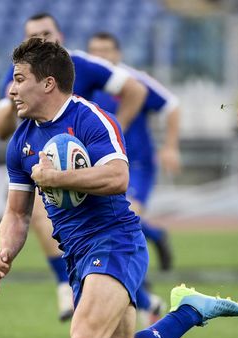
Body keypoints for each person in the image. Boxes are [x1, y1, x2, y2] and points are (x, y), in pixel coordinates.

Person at [0, 38, 238, 338]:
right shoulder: (21, 141)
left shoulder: (90, 118)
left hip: (115, 241)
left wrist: (60, 176)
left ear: (47, 83)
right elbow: (17, 212)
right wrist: (5, 250)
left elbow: (118, 175)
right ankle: (188, 312)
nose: (11, 90)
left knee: (82, 335)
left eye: (19, 80)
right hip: (77, 254)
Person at [0, 13, 149, 322]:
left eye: (46, 32)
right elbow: (0, 130)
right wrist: (6, 250)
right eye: (32, 36)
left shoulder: (84, 69)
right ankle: (175, 308)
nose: (40, 39)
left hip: (98, 189)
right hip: (74, 239)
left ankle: (67, 287)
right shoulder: (18, 83)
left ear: (59, 36)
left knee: (85, 337)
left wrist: (114, 137)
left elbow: (136, 90)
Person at [88, 32, 180, 273]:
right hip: (101, 165)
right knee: (110, 220)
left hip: (136, 164)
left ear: (118, 54)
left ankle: (134, 283)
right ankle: (156, 236)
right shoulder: (87, 83)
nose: (100, 56)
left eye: (106, 50)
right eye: (95, 51)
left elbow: (172, 106)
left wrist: (170, 146)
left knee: (122, 217)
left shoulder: (133, 81)